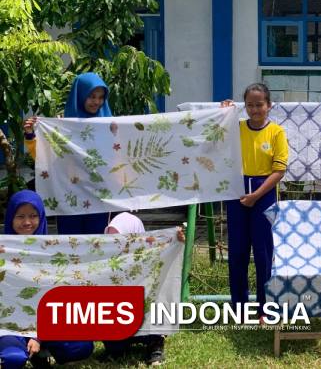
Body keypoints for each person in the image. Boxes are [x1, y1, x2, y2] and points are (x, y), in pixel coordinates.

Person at [0, 190, 94, 368]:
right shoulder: (2, 250)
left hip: (46, 322)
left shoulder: (53, 252)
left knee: (81, 346)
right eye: (20, 216)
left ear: (41, 217)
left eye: (33, 216)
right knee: (13, 359)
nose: (27, 222)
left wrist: (38, 336)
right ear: (11, 218)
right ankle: (19, 349)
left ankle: (41, 350)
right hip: (11, 325)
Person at [221, 83, 288, 312]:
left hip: (264, 192)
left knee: (264, 251)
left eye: (259, 104)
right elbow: (215, 138)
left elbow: (279, 170)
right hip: (236, 191)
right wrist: (223, 114)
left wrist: (257, 194)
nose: (254, 109)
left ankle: (264, 306)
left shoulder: (277, 132)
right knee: (237, 251)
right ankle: (238, 306)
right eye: (249, 105)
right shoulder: (236, 128)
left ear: (269, 105)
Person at [23, 72, 113, 234]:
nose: (97, 102)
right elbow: (45, 158)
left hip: (99, 198)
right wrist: (31, 134)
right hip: (68, 197)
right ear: (79, 95)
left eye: (101, 97)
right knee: (70, 247)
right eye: (92, 96)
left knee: (98, 247)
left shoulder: (109, 125)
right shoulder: (62, 126)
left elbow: (118, 157)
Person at [100, 212, 185, 365]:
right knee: (115, 349)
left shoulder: (149, 254)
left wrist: (175, 240)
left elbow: (167, 260)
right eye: (111, 237)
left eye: (120, 237)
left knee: (155, 297)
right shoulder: (106, 259)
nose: (115, 243)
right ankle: (122, 342)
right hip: (122, 318)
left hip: (142, 316)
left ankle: (155, 343)